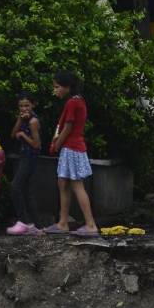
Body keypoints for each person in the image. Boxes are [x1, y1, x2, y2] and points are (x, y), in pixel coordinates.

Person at [44, 71, 98, 236]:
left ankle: (90, 225)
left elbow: (68, 127)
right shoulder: (78, 101)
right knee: (63, 184)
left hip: (71, 148)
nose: (55, 90)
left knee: (76, 185)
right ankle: (62, 223)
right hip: (72, 148)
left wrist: (56, 145)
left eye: (57, 87)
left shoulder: (72, 103)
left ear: (67, 87)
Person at [6, 93, 42, 235]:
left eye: (27, 105)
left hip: (30, 157)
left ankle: (24, 222)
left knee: (15, 187)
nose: (24, 108)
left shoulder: (33, 121)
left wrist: (23, 136)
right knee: (27, 191)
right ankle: (37, 226)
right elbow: (12, 134)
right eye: (21, 106)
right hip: (23, 156)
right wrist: (19, 121)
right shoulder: (23, 119)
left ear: (33, 105)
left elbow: (37, 144)